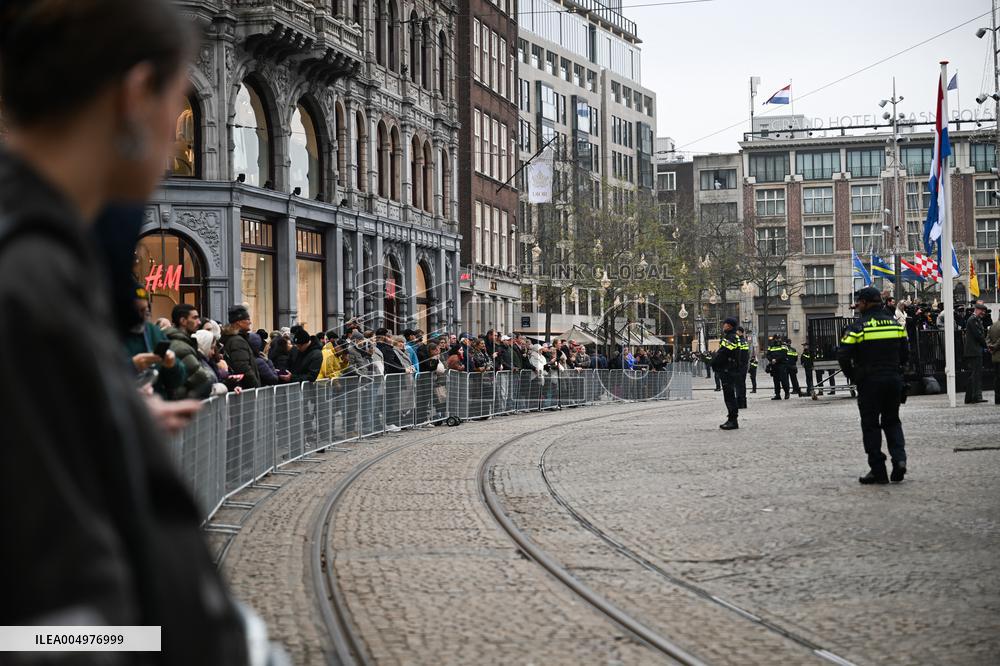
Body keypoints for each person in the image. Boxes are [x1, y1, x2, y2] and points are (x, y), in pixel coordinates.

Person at [0, 0, 249, 660]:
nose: (176, 136)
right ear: (136, 96)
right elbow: (48, 625)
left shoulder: (51, 263)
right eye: (180, 104)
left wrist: (114, 418)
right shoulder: (30, 281)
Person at [837, 288, 908, 485]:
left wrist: (853, 376)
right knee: (892, 421)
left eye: (859, 302)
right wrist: (897, 371)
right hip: (893, 380)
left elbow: (843, 355)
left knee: (870, 425)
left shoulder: (858, 327)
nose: (857, 305)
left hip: (869, 381)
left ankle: (878, 470)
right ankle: (900, 459)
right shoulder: (894, 324)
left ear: (867, 303)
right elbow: (906, 350)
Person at [164, 303, 221, 399]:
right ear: (183, 321)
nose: (199, 322)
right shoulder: (180, 346)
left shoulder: (185, 343)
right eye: (195, 318)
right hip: (180, 402)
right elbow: (200, 378)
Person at [221, 304, 261, 388]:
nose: (250, 322)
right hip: (245, 390)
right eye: (247, 319)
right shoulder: (237, 341)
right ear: (238, 322)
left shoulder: (233, 338)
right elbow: (243, 367)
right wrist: (256, 386)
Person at [711, 318, 741, 430]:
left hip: (728, 369)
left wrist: (714, 362)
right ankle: (731, 419)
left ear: (729, 326)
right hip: (729, 369)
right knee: (729, 395)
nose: (723, 326)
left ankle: (733, 420)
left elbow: (724, 353)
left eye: (725, 324)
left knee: (729, 396)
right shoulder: (732, 337)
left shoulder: (731, 337)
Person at [963, 303, 989, 404]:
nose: (983, 313)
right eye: (982, 311)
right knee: (976, 374)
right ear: (977, 310)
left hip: (974, 350)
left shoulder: (975, 320)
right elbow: (978, 335)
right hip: (974, 351)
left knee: (974, 374)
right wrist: (986, 346)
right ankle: (976, 396)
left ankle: (969, 397)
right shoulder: (973, 320)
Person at [766, 336, 790, 400]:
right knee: (776, 381)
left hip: (782, 365)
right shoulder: (771, 346)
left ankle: (787, 393)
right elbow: (768, 354)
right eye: (776, 338)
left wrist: (776, 360)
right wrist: (771, 360)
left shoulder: (783, 345)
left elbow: (784, 354)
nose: (777, 340)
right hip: (774, 365)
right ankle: (777, 395)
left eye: (778, 338)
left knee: (783, 380)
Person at [734, 326, 750, 409]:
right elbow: (746, 355)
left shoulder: (738, 341)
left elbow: (739, 355)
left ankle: (739, 403)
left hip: (739, 366)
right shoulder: (745, 341)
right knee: (742, 385)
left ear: (740, 332)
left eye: (736, 331)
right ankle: (743, 403)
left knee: (738, 385)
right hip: (744, 366)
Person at [988, 313, 1000, 405]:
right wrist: (995, 346)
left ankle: (997, 398)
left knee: (996, 378)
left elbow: (987, 338)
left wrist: (990, 347)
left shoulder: (993, 326)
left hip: (994, 356)